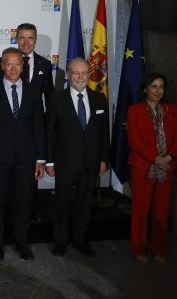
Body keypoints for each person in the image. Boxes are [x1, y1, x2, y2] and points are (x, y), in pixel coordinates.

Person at [0, 47, 45, 260]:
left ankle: (22, 243)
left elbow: (39, 127)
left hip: (27, 159)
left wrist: (40, 159)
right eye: (9, 64)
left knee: (24, 203)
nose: (13, 68)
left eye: (17, 64)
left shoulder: (34, 91)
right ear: (2, 66)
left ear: (22, 66)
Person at [45, 58, 109, 257]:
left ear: (89, 75)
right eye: (75, 73)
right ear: (68, 75)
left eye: (84, 73)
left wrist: (103, 159)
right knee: (62, 202)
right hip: (65, 161)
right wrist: (49, 160)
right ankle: (60, 240)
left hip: (90, 161)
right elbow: (49, 133)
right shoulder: (56, 99)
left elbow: (103, 134)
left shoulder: (99, 99)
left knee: (84, 202)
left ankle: (80, 239)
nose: (80, 77)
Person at [0, 23, 54, 221]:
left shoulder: (45, 66)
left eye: (30, 38)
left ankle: (29, 212)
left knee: (31, 179)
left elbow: (50, 98)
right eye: (22, 38)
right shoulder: (2, 62)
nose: (26, 42)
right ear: (16, 39)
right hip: (7, 134)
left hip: (32, 130)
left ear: (35, 41)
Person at [127, 73, 177, 263]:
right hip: (143, 166)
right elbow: (134, 141)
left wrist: (169, 157)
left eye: (161, 87)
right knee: (141, 210)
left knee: (161, 211)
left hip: (166, 167)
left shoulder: (171, 110)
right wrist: (156, 158)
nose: (158, 91)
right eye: (154, 87)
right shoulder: (135, 111)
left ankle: (159, 249)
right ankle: (138, 247)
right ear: (145, 89)